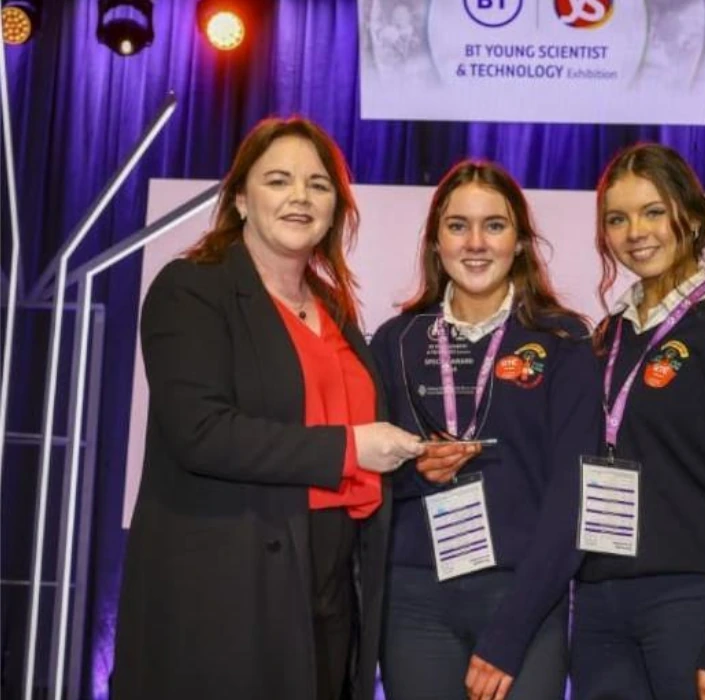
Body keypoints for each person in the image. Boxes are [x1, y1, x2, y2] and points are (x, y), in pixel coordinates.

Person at [110, 116, 425, 700]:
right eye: (278, 180)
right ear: (239, 200)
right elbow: (201, 432)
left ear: (336, 207)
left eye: (318, 184)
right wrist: (351, 447)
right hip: (231, 586)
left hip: (332, 578)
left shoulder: (334, 308)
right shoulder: (191, 289)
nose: (300, 197)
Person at [371, 160, 602, 700]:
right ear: (436, 243)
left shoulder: (561, 341)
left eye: (494, 225)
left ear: (519, 242)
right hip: (415, 600)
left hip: (524, 595)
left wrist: (511, 632)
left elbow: (572, 498)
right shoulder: (395, 341)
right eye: (458, 226)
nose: (475, 243)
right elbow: (367, 479)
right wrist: (415, 473)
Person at [570, 143, 705, 700]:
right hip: (598, 608)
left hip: (693, 607)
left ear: (690, 216)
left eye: (653, 211)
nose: (635, 232)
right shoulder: (605, 339)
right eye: (617, 219)